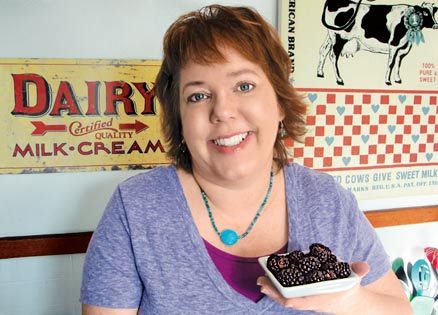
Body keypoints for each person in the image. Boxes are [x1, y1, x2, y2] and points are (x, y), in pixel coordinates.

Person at [80, 4, 412, 315]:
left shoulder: (329, 201)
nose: (222, 111)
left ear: (280, 103)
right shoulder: (135, 208)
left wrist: (350, 299)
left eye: (244, 86)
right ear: (180, 117)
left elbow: (400, 309)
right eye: (198, 95)